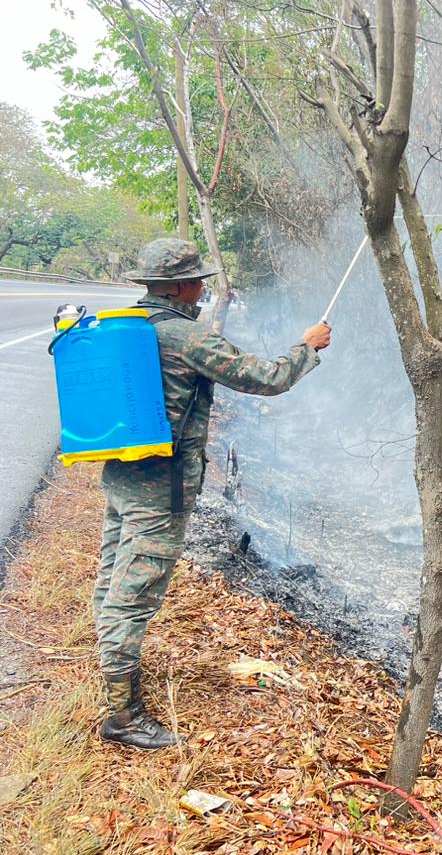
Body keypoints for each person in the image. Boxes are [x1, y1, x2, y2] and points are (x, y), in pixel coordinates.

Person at [94, 238, 332, 749]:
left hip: (121, 478)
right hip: (161, 491)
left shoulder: (127, 327)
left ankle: (115, 683)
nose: (203, 286)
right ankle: (122, 716)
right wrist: (307, 346)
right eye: (197, 278)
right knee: (131, 598)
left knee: (112, 583)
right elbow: (264, 378)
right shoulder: (186, 335)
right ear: (177, 285)